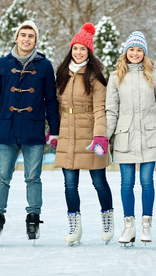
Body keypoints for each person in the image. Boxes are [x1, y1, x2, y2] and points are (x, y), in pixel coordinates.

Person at [0, 20, 60, 245]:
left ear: (36, 40)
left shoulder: (44, 66)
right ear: (16, 37)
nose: (26, 39)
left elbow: (51, 101)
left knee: (33, 177)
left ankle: (33, 218)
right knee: (2, 177)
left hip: (33, 129)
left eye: (31, 36)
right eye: (23, 35)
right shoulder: (3, 64)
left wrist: (55, 130)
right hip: (7, 128)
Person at [106, 31, 156, 245]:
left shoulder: (154, 75)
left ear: (144, 53)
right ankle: (128, 226)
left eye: (139, 50)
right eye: (132, 49)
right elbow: (111, 111)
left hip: (150, 135)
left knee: (147, 181)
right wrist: (104, 137)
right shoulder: (115, 77)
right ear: (125, 52)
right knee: (126, 183)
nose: (135, 53)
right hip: (125, 135)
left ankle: (146, 223)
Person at [52, 22, 113, 246]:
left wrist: (100, 137)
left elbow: (100, 109)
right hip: (68, 135)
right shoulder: (62, 74)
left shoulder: (94, 78)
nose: (78, 52)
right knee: (69, 185)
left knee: (99, 182)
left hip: (89, 135)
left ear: (89, 52)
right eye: (75, 48)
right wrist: (54, 132)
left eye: (83, 49)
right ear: (71, 50)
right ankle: (74, 225)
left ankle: (107, 217)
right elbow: (56, 106)